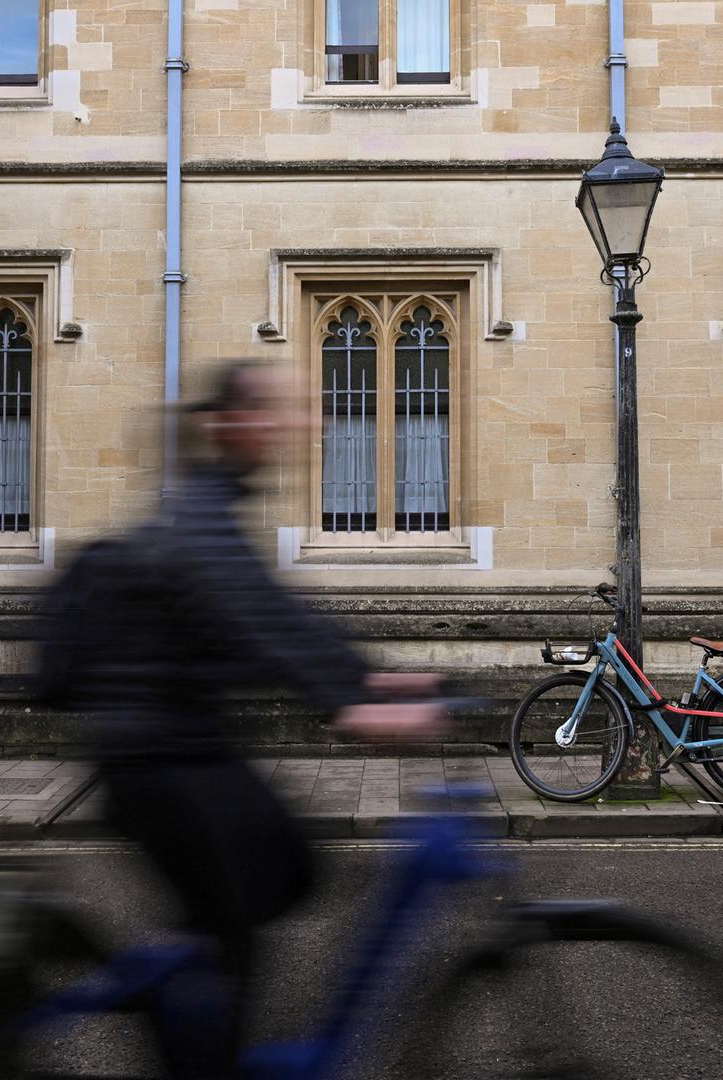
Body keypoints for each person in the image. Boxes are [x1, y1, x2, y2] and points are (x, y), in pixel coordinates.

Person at [57, 362, 443, 1079]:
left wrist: (367, 677)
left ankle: (191, 1012)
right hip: (159, 761)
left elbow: (279, 613)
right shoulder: (200, 512)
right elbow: (251, 616)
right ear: (227, 425)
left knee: (276, 881)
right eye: (278, 411)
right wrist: (348, 704)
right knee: (246, 907)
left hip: (183, 749)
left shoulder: (216, 506)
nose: (301, 426)